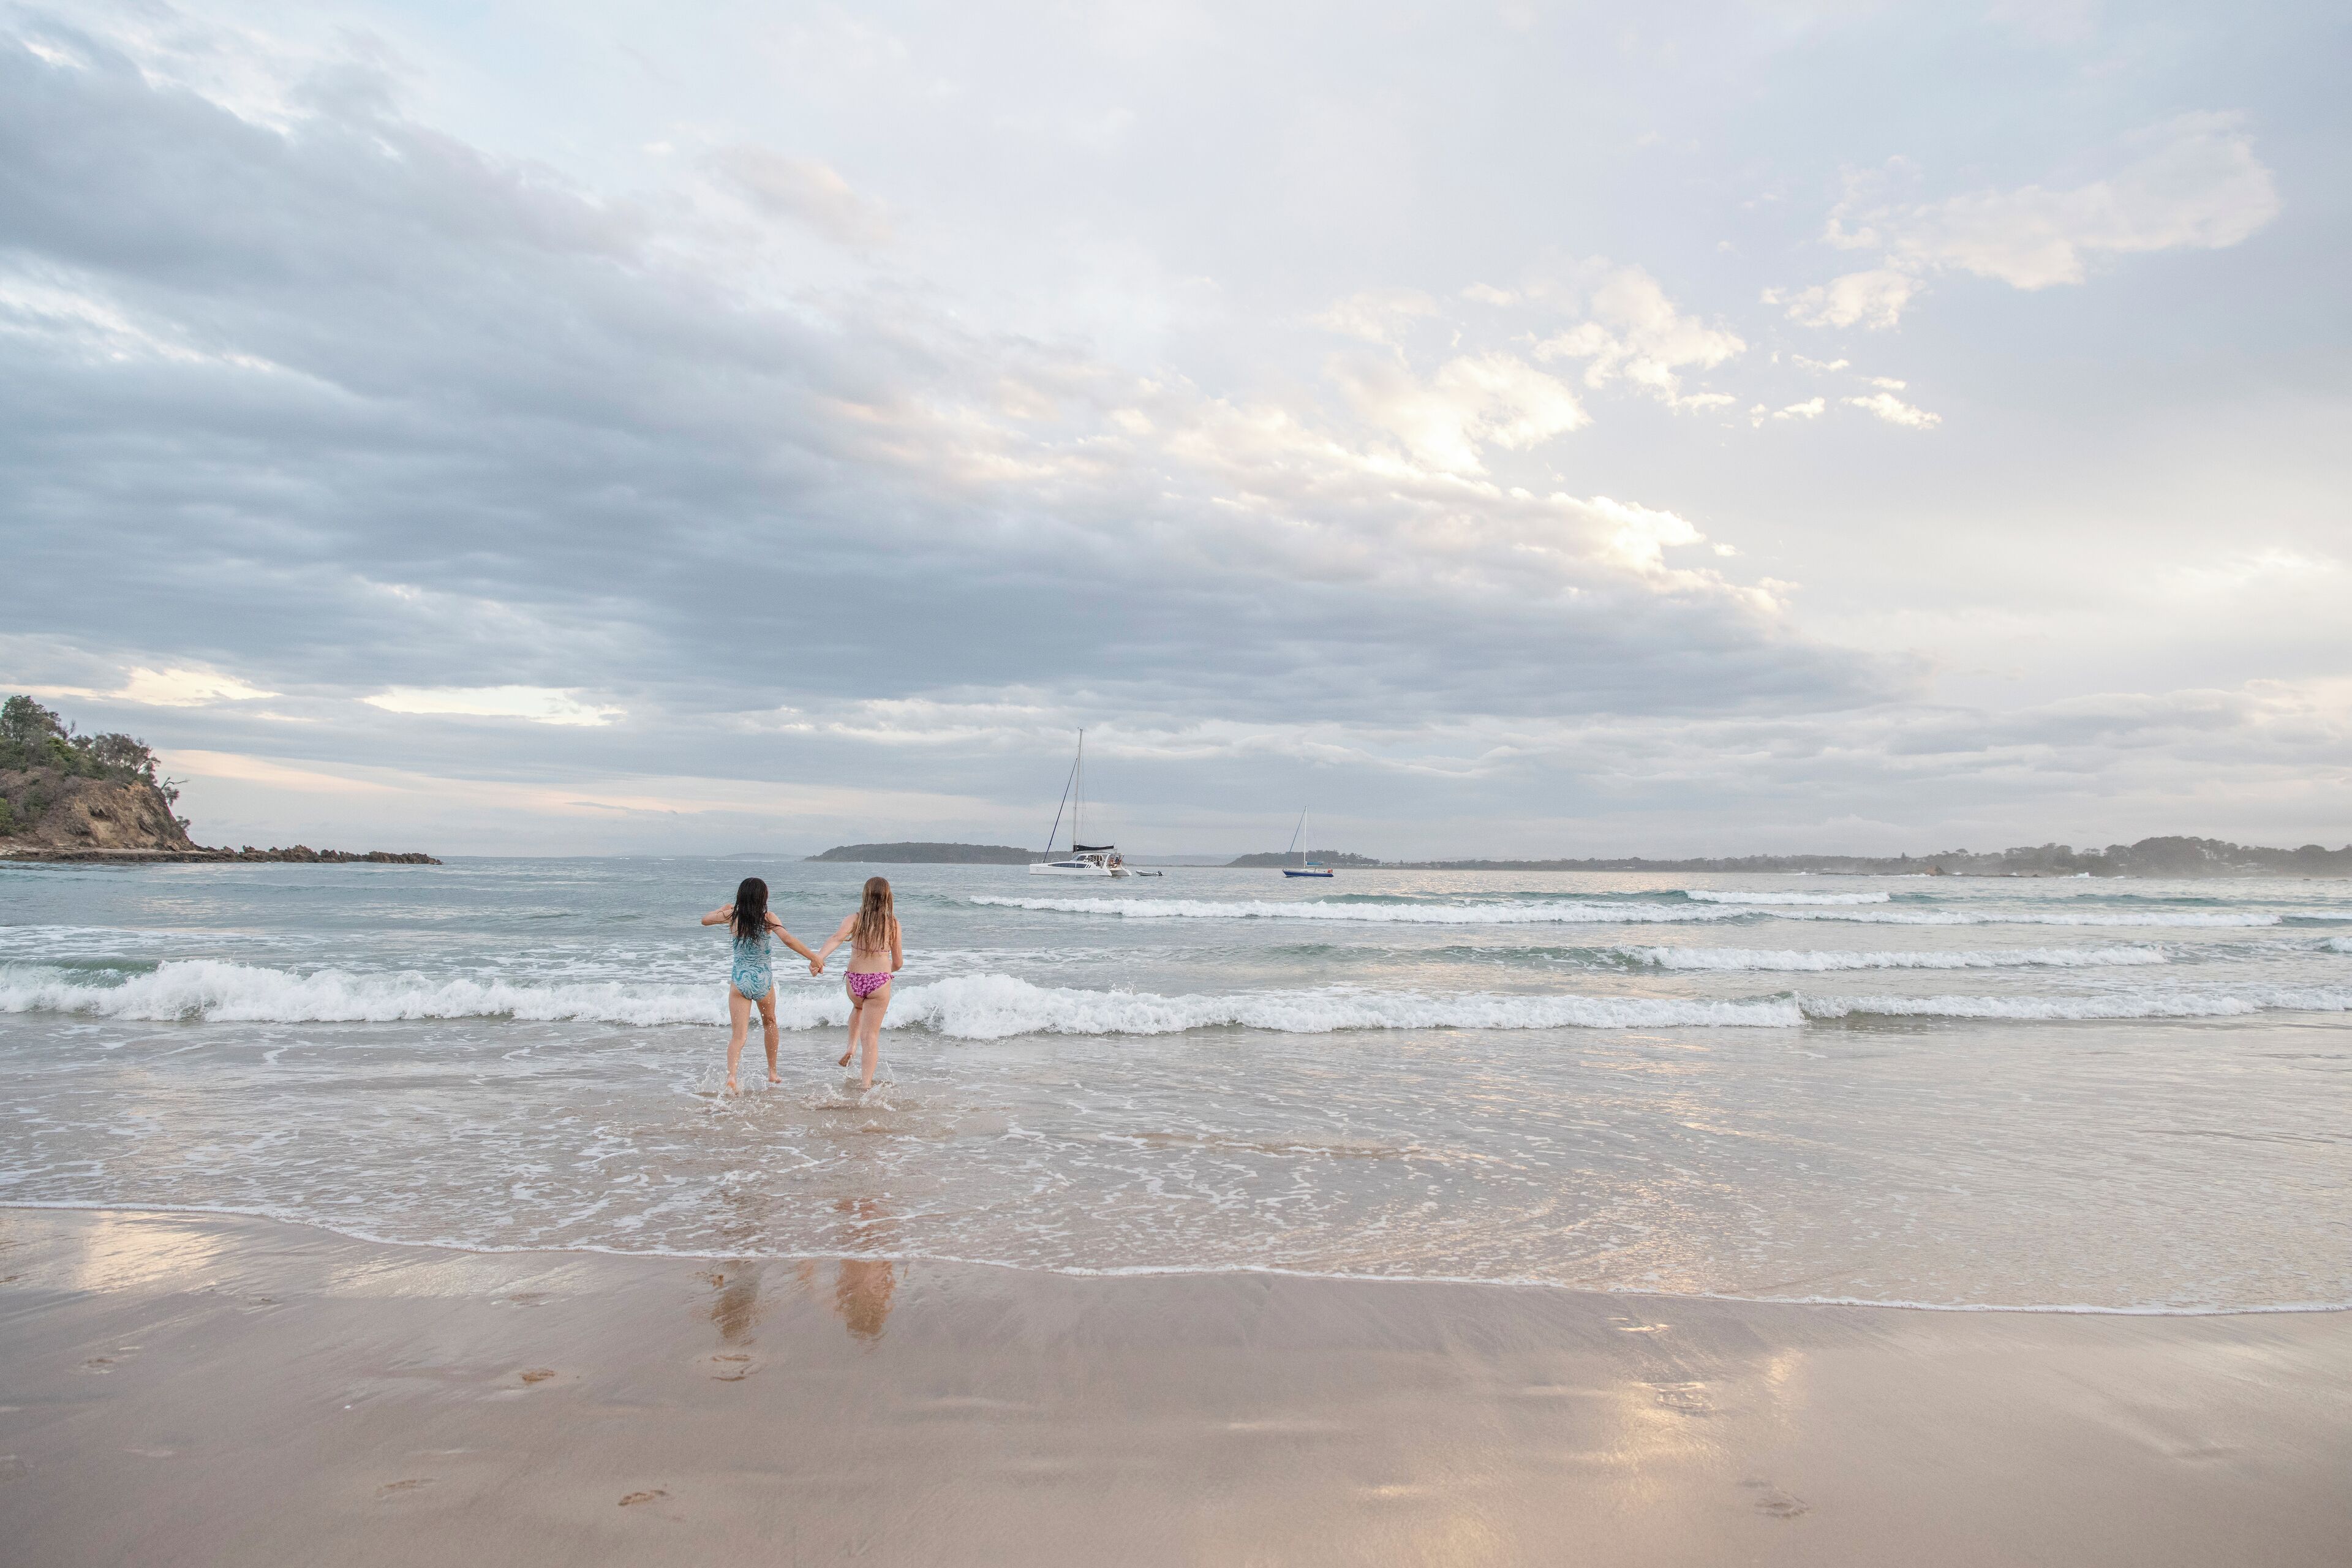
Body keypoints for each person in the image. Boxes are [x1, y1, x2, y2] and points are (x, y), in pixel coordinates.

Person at [699, 877, 821, 1095]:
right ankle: (772, 1072)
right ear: (762, 897)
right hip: (763, 981)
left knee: (738, 1036)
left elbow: (705, 920)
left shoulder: (733, 916)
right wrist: (814, 957)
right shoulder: (768, 918)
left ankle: (732, 1076)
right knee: (770, 1022)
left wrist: (723, 909)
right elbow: (788, 940)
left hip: (740, 981)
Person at [815, 876, 902, 1090]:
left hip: (855, 981)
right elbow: (898, 963)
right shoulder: (892, 924)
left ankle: (851, 1047)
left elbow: (836, 938)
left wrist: (819, 959)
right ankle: (865, 1085)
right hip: (879, 982)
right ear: (888, 897)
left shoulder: (854, 919)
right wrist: (883, 972)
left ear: (865, 895)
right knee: (870, 1036)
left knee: (858, 1007)